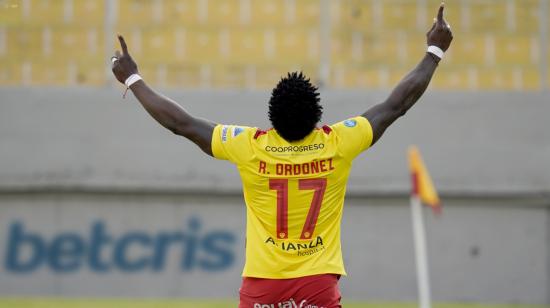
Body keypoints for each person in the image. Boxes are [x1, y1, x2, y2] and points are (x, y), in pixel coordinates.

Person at [111, 3, 452, 307]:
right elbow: (396, 105)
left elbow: (181, 124)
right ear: (316, 115)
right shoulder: (339, 142)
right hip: (318, 285)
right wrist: (434, 50)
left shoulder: (249, 145)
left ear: (272, 115)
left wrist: (134, 79)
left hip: (262, 288)